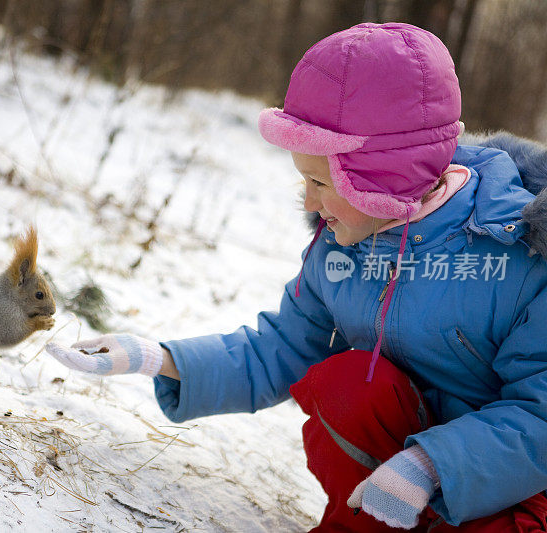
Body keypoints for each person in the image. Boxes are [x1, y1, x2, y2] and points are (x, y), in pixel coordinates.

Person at [46, 22, 547, 531]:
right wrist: (160, 358)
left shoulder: (517, 255)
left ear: (384, 177)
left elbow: (540, 415)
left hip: (508, 482)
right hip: (387, 484)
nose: (307, 203)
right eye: (302, 179)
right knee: (348, 381)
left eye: (320, 182)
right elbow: (281, 346)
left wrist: (432, 466)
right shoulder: (345, 246)